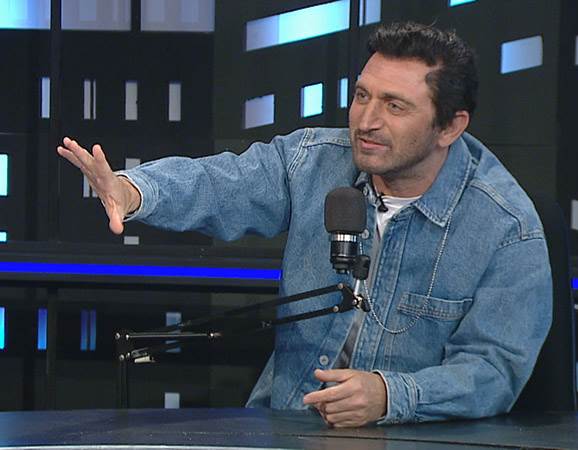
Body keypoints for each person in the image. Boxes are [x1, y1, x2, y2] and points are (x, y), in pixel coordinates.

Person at [57, 22, 552, 427]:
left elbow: (494, 370)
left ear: (450, 126)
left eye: (394, 106)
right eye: (362, 96)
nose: (366, 121)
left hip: (414, 438)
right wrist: (134, 190)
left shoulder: (507, 226)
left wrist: (389, 395)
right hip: (287, 426)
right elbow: (222, 183)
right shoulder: (313, 161)